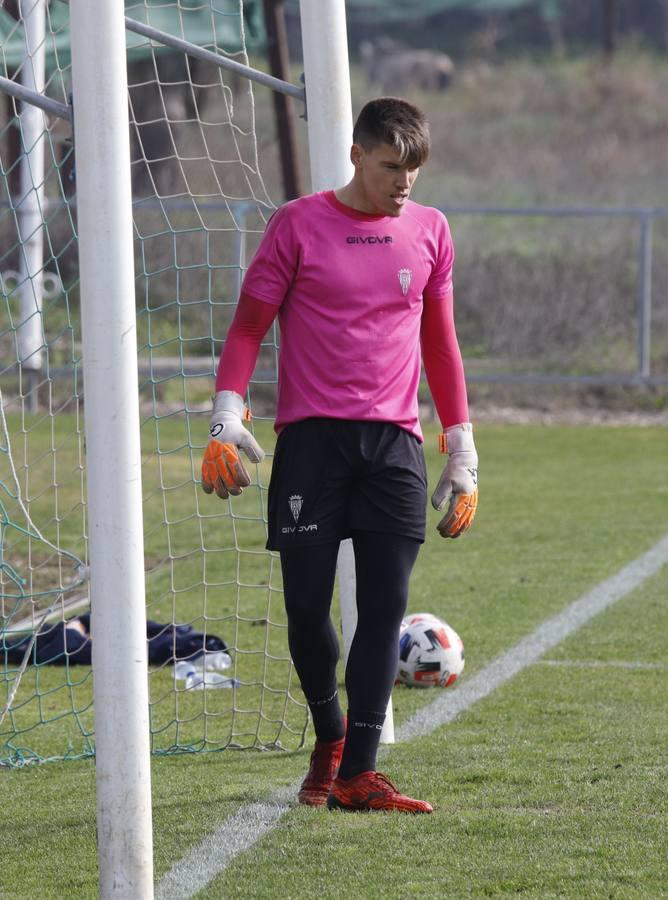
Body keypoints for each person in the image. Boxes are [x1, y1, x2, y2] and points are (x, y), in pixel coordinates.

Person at [200, 97, 478, 814]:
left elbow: (440, 346)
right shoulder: (297, 224)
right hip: (313, 443)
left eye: (413, 169)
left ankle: (357, 772)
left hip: (394, 446)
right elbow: (248, 326)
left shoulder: (431, 231)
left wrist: (462, 446)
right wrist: (226, 415)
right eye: (391, 167)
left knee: (385, 609)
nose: (404, 184)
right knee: (303, 613)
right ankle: (328, 735)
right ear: (356, 155)